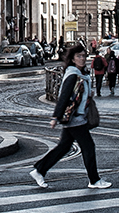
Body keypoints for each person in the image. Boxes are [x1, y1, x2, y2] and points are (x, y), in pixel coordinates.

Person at [28, 43, 110, 190]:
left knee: (63, 147)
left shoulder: (80, 74)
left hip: (76, 117)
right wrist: (55, 117)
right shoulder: (73, 75)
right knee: (88, 147)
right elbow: (64, 96)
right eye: (79, 56)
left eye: (84, 56)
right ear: (72, 59)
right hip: (75, 119)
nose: (82, 59)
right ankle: (94, 180)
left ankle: (39, 170)